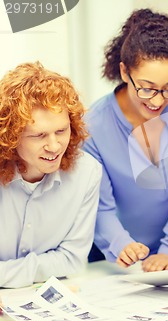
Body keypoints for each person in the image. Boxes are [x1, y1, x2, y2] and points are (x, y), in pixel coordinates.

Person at [83, 8, 168, 272]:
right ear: (125, 72)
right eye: (147, 87)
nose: (158, 100)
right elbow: (99, 207)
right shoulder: (93, 125)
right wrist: (122, 245)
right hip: (116, 258)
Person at [0, 62, 102, 288]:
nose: (54, 146)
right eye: (38, 136)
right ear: (11, 135)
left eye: (61, 131)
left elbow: (72, 259)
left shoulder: (86, 173)